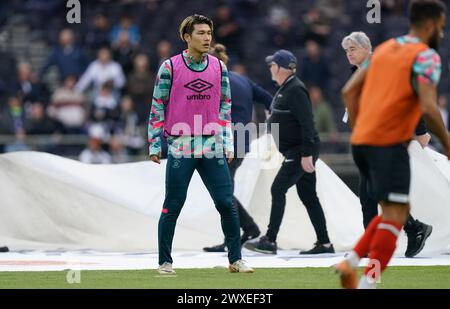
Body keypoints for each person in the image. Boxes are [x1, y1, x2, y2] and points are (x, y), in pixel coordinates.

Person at [336, 0, 450, 289]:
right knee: (396, 214)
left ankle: (352, 261)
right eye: (442, 26)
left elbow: (348, 91)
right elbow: (427, 105)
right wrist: (447, 143)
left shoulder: (386, 49)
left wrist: (364, 124)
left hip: (362, 141)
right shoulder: (426, 56)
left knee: (391, 210)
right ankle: (367, 282)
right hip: (388, 143)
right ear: (431, 24)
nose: (443, 33)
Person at [148, 14, 254, 274]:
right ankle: (165, 262)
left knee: (225, 202)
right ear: (187, 37)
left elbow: (225, 108)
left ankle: (235, 260)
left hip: (211, 145)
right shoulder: (170, 67)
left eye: (209, 32)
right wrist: (154, 144)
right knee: (173, 204)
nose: (207, 37)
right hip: (181, 145)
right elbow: (157, 107)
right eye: (201, 33)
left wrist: (228, 142)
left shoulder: (220, 67)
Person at [341, 31, 433, 258]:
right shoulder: (358, 73)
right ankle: (412, 229)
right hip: (371, 140)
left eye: (352, 49)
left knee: (375, 192)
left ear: (366, 48)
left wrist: (421, 131)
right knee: (373, 193)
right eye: (346, 51)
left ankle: (409, 230)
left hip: (386, 138)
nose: (348, 55)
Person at [244, 50, 334, 255]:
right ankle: (325, 243)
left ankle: (270, 240)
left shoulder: (295, 89)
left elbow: (307, 123)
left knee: (278, 189)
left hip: (300, 150)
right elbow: (286, 116)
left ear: (280, 68)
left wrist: (306, 154)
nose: (269, 68)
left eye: (272, 65)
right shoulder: (286, 88)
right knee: (309, 196)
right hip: (299, 150)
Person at [203, 44, 273, 253]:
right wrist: (271, 120)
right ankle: (246, 230)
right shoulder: (242, 79)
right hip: (242, 141)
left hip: (225, 144)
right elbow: (269, 99)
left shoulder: (215, 83)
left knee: (222, 193)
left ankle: (238, 235)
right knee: (224, 192)